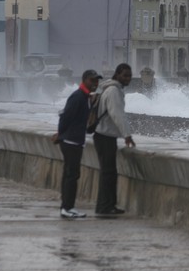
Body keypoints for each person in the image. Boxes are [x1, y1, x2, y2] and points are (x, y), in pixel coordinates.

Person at [54, 69, 103, 218]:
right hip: (71, 141)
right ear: (84, 80)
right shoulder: (78, 97)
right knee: (72, 175)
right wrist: (60, 134)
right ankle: (67, 208)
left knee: (70, 174)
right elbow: (65, 116)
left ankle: (67, 206)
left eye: (96, 81)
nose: (95, 84)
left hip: (74, 140)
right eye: (92, 80)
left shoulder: (85, 97)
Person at [93, 63, 135, 215]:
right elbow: (117, 114)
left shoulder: (112, 89)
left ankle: (108, 205)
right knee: (108, 173)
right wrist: (127, 135)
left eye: (130, 76)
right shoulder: (113, 91)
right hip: (105, 137)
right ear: (117, 75)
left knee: (109, 172)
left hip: (104, 136)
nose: (128, 79)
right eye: (125, 75)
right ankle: (105, 206)